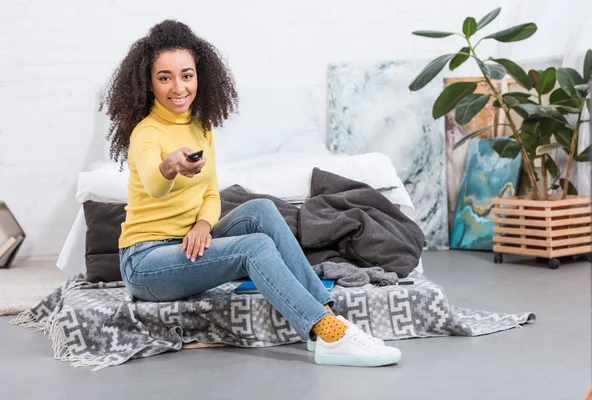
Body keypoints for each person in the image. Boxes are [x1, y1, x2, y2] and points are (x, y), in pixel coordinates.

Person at [101, 19, 401, 367]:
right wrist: (170, 166)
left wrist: (201, 225)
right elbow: (155, 186)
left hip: (187, 244)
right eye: (164, 77)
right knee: (253, 247)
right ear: (149, 84)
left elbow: (211, 194)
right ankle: (328, 332)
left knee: (260, 209)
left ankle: (324, 314)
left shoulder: (200, 126)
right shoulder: (146, 134)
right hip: (146, 262)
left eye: (187, 75)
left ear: (200, 76)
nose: (178, 87)